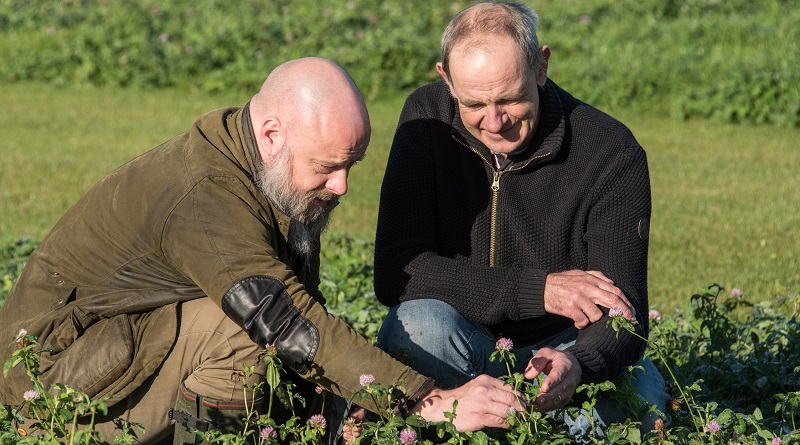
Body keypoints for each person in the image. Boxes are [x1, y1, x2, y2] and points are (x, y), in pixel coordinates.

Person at [0, 58, 526, 444]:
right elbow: (283, 318)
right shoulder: (205, 197)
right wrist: (424, 399)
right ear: (272, 132)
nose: (341, 186)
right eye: (327, 167)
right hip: (51, 389)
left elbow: (304, 315)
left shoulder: (270, 174)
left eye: (351, 167)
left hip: (124, 351)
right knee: (246, 327)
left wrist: (343, 403)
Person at [373, 2, 669, 436]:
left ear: (541, 66)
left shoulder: (611, 152)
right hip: (459, 343)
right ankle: (495, 419)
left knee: (638, 395)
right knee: (417, 326)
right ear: (446, 81)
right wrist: (538, 290)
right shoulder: (426, 119)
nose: (495, 121)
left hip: (560, 352)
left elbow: (623, 313)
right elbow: (397, 272)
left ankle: (486, 425)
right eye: (474, 103)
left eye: (510, 98)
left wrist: (577, 364)